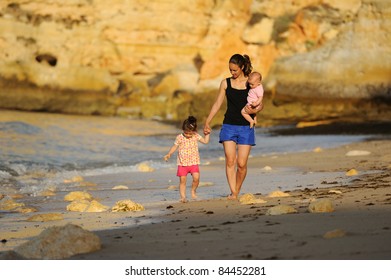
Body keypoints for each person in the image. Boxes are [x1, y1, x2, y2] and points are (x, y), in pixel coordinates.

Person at [203, 54, 263, 200]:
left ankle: (236, 189)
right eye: (230, 70)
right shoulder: (225, 83)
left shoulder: (251, 82)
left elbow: (260, 104)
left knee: (241, 164)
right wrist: (207, 121)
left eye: (235, 70)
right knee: (230, 160)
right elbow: (217, 103)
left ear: (242, 67)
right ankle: (233, 192)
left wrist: (255, 111)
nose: (232, 73)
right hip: (229, 125)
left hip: (245, 127)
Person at [164, 116, 210, 203]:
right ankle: (183, 197)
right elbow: (175, 146)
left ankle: (193, 191)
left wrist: (207, 134)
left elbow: (205, 141)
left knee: (196, 178)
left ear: (194, 131)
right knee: (182, 181)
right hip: (182, 164)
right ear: (183, 130)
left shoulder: (196, 136)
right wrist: (169, 153)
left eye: (190, 133)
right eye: (186, 133)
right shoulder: (180, 137)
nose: (188, 135)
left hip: (193, 162)